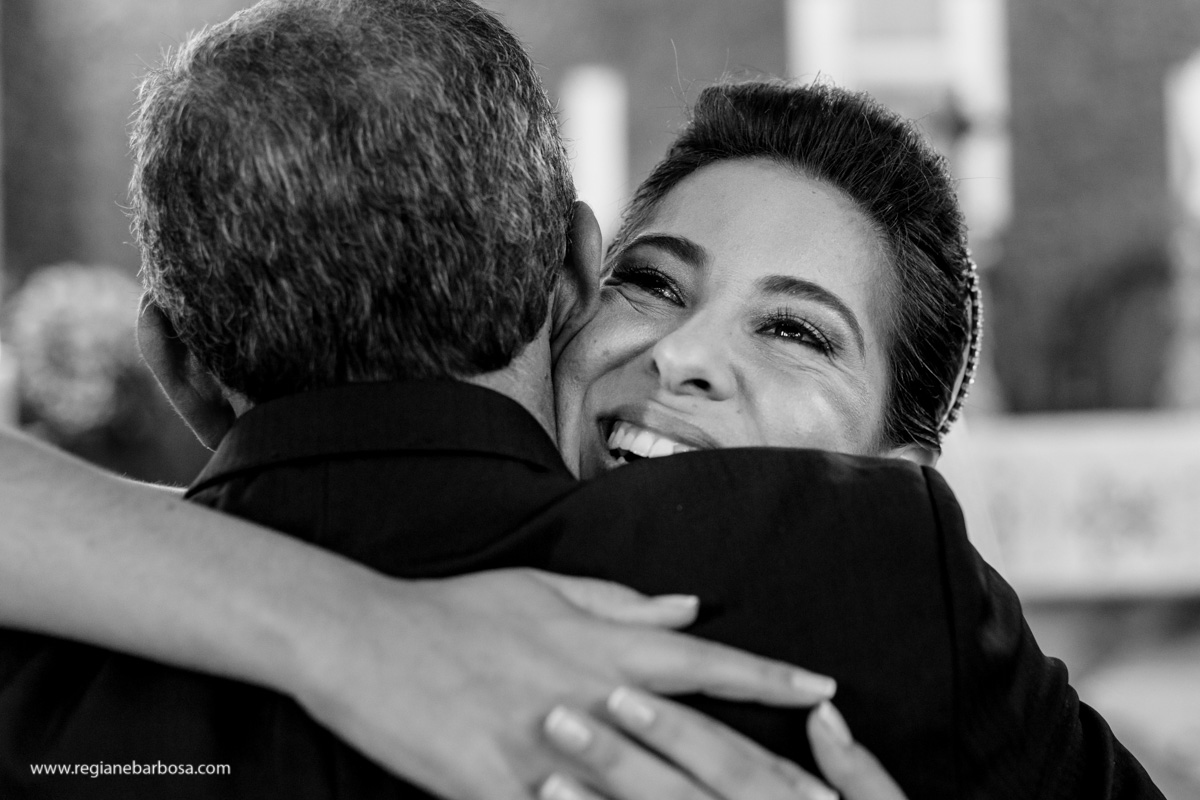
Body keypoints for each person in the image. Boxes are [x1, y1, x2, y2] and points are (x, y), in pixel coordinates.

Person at [0, 2, 1161, 800]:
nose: (683, 354)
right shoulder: (860, 578)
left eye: (798, 329)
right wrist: (354, 633)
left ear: (171, 353)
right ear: (567, 280)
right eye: (651, 283)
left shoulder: (51, 661)